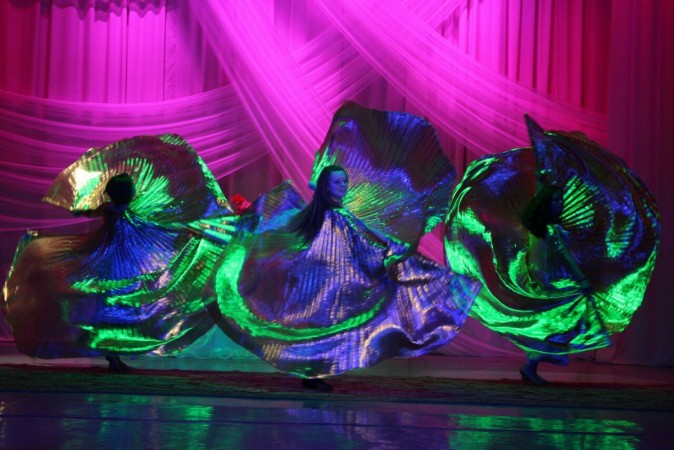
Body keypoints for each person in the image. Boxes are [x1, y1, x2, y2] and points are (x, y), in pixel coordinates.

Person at [206, 164, 480, 392]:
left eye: (345, 181)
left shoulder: (335, 213)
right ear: (326, 186)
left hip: (329, 283)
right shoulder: (331, 215)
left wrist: (391, 246)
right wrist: (389, 250)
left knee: (325, 328)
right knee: (322, 328)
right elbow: (358, 237)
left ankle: (312, 373)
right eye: (338, 182)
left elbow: (363, 231)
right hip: (321, 282)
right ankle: (312, 373)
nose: (343, 185)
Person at [443, 116, 660, 386]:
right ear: (547, 205)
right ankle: (546, 357)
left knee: (558, 325)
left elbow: (557, 243)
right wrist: (580, 279)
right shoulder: (547, 233)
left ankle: (539, 360)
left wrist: (548, 159)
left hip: (548, 281)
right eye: (556, 200)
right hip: (548, 282)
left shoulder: (546, 229)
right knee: (566, 319)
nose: (561, 204)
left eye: (560, 199)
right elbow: (559, 261)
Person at [2, 134, 237, 372]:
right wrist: (199, 231)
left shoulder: (110, 209)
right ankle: (113, 356)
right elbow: (166, 227)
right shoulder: (133, 214)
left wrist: (77, 202)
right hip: (115, 264)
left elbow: (84, 212)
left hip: (107, 263)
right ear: (131, 193)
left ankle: (112, 356)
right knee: (116, 309)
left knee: (107, 310)